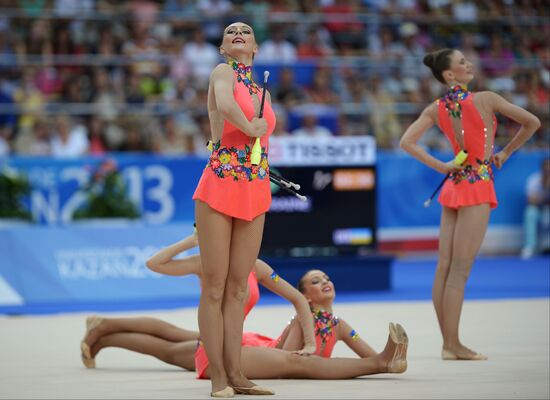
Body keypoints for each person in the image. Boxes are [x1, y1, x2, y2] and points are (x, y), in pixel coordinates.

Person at [80, 233, 409, 381]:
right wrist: (191, 241)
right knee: (169, 342)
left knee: (170, 344)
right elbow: (154, 263)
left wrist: (310, 341)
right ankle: (380, 362)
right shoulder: (205, 261)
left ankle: (104, 333)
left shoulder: (255, 265)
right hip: (219, 349)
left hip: (237, 341)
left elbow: (297, 299)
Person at [400, 48, 541, 360]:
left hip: (454, 185)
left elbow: (406, 142)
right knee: (459, 271)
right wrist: (505, 153)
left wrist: (441, 166)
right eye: (462, 62)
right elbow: (532, 122)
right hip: (476, 185)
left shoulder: (436, 108)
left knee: (444, 269)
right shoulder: (486, 99)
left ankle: (448, 342)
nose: (470, 64)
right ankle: (452, 345)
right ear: (450, 75)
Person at [191, 22, 276, 397]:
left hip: (254, 186)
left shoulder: (262, 90)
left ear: (255, 47)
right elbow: (224, 106)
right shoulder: (222, 72)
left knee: (239, 288)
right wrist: (249, 128)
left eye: (245, 31)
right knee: (214, 285)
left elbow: (257, 132)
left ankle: (238, 373)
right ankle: (218, 376)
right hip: (220, 184)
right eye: (230, 32)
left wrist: (252, 136)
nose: (238, 33)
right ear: (225, 48)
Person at [521, 158, 550, 259]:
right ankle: (530, 247)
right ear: (542, 168)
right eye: (546, 167)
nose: (548, 169)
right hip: (538, 210)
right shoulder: (534, 179)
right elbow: (530, 200)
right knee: (530, 213)